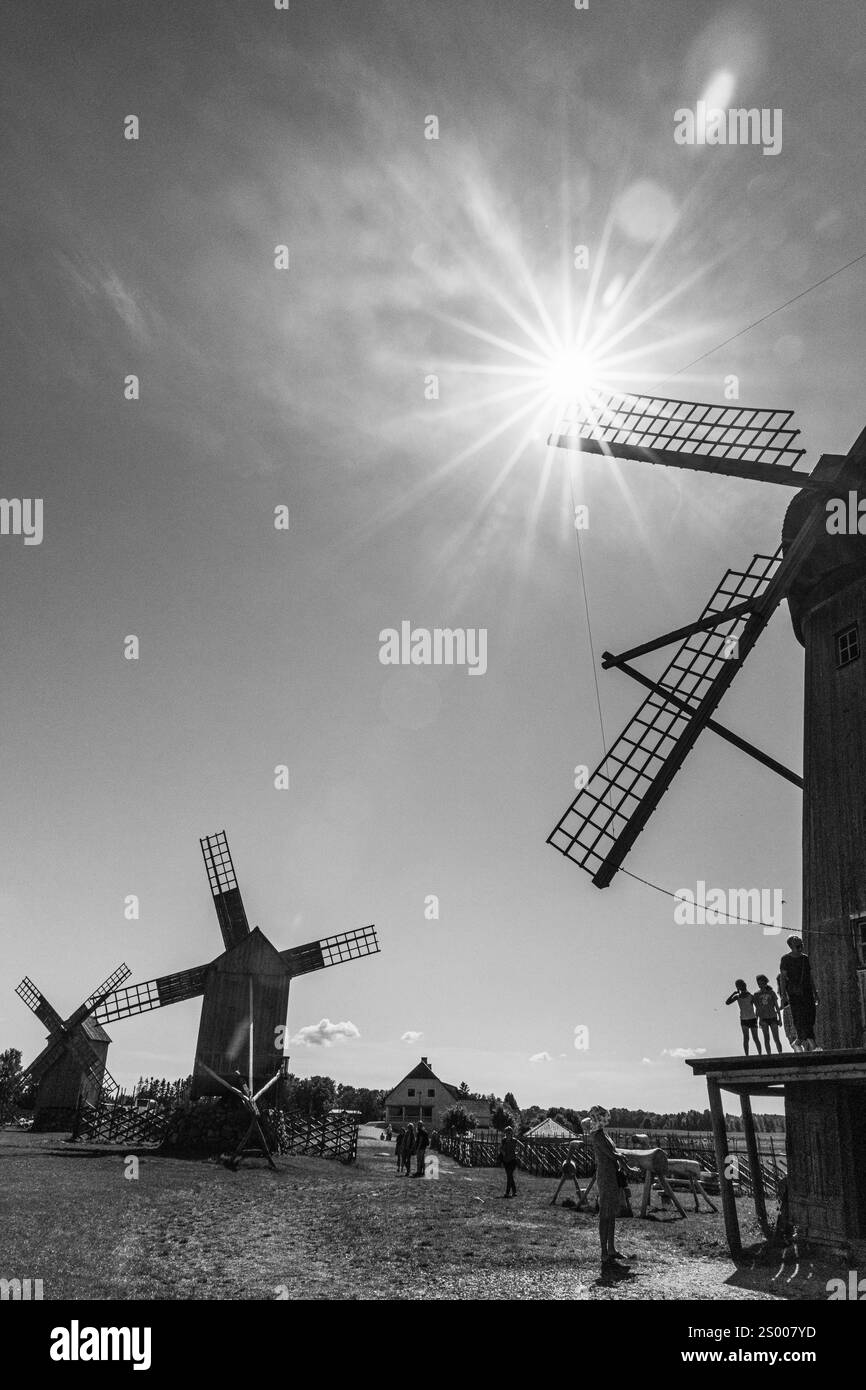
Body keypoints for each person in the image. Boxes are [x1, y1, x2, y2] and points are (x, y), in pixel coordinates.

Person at [586, 1106, 629, 1274]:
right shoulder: (597, 1136)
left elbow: (615, 1153)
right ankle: (604, 1251)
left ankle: (611, 1248)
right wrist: (625, 1159)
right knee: (605, 1214)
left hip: (612, 1175)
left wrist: (626, 1166)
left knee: (611, 1213)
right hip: (604, 1177)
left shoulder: (604, 1134)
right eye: (603, 1118)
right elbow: (612, 1155)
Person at [779, 936, 819, 1051]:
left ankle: (798, 1042)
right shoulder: (786, 959)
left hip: (807, 991)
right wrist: (783, 995)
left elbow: (809, 976)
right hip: (794, 993)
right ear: (791, 947)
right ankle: (813, 1045)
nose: (801, 947)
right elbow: (783, 978)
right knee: (800, 1018)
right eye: (798, 946)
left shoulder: (805, 958)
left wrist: (815, 992)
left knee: (811, 1016)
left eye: (801, 945)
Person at [725, 979, 762, 1055]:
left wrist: (758, 1017)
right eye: (738, 986)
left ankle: (760, 1054)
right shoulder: (737, 996)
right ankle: (747, 1055)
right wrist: (733, 993)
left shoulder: (750, 996)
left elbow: (757, 1007)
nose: (740, 987)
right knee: (746, 1038)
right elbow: (727, 1002)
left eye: (741, 985)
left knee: (755, 1038)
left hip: (752, 1018)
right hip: (744, 1019)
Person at [754, 974, 783, 1054]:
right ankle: (769, 1056)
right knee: (766, 1039)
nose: (760, 985)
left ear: (765, 982)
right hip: (763, 1019)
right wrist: (755, 1021)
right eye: (758, 983)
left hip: (773, 1017)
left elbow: (776, 1007)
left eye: (761, 983)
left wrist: (780, 1019)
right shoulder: (756, 995)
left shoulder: (771, 993)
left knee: (776, 1038)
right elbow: (757, 1009)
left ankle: (780, 1054)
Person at [500, 1125, 518, 1198]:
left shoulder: (514, 1140)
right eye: (507, 1133)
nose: (508, 1134)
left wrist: (508, 1142)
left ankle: (507, 1192)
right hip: (505, 1160)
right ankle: (514, 1191)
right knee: (510, 1176)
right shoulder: (503, 1140)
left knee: (509, 1176)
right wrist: (502, 1151)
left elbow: (515, 1148)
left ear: (512, 1133)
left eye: (510, 1133)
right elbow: (500, 1148)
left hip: (512, 1160)